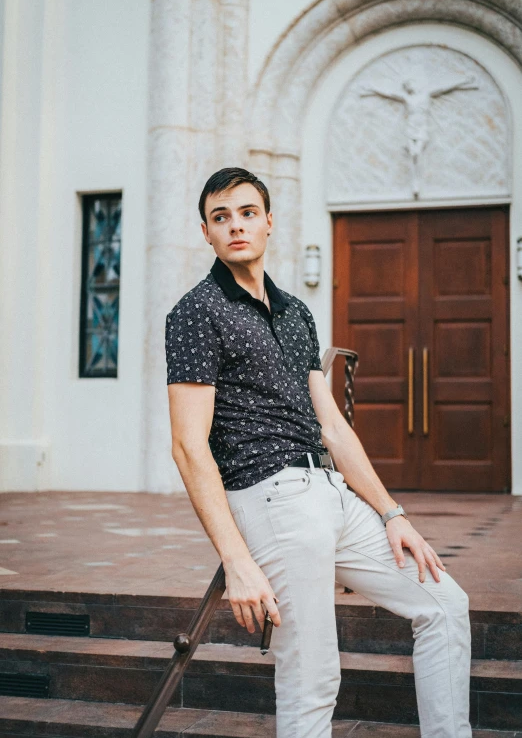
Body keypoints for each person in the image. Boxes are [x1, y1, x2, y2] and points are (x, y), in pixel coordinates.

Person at [165, 167, 472, 738]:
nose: (236, 226)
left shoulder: (295, 312)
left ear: (269, 222)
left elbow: (330, 424)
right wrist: (236, 559)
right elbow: (188, 446)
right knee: (312, 675)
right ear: (206, 233)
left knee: (445, 606)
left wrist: (391, 513)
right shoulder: (195, 312)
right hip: (273, 498)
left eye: (247, 212)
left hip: (329, 491)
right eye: (220, 217)